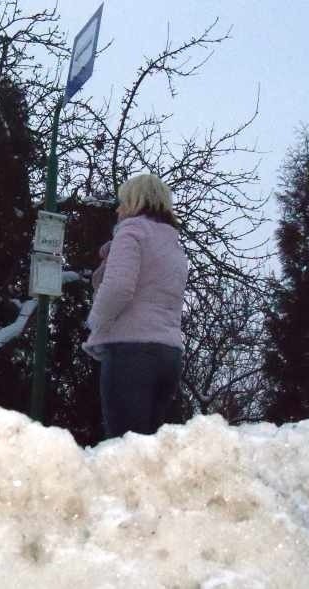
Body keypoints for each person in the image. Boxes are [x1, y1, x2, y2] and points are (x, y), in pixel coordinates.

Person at [82, 174, 188, 439]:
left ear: (134, 201)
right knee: (149, 449)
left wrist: (96, 322)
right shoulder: (174, 246)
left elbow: (118, 288)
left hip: (131, 352)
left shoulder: (131, 232)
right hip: (169, 354)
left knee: (125, 447)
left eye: (122, 202)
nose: (118, 209)